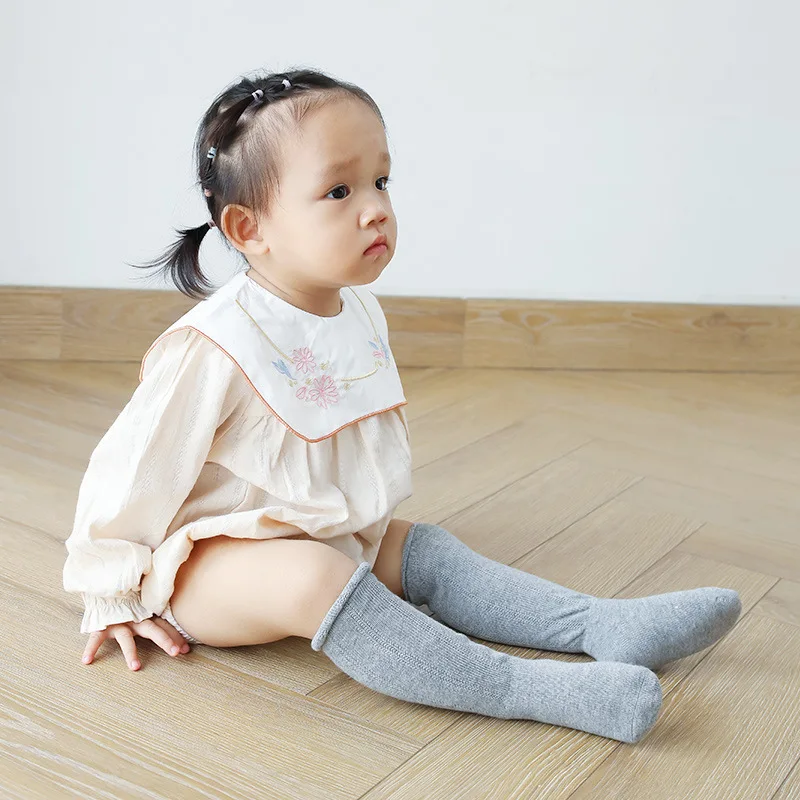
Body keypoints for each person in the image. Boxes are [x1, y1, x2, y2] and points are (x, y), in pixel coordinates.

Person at [62, 67, 742, 745]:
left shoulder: (356, 309)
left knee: (418, 547)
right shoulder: (215, 345)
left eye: (381, 182)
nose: (375, 208)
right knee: (315, 575)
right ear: (250, 226)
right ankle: (523, 688)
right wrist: (111, 592)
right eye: (338, 191)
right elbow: (131, 470)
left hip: (316, 528)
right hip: (208, 567)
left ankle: (598, 625)